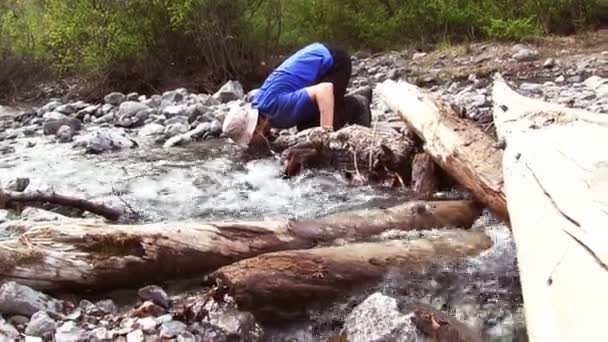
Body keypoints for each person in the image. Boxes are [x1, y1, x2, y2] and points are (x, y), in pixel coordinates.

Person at [222, 42, 371, 148]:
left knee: (313, 127)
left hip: (334, 62)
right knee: (305, 127)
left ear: (255, 128)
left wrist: (326, 136)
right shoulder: (260, 105)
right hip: (318, 54)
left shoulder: (277, 108)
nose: (250, 145)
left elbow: (325, 89)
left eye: (249, 141)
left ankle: (357, 104)